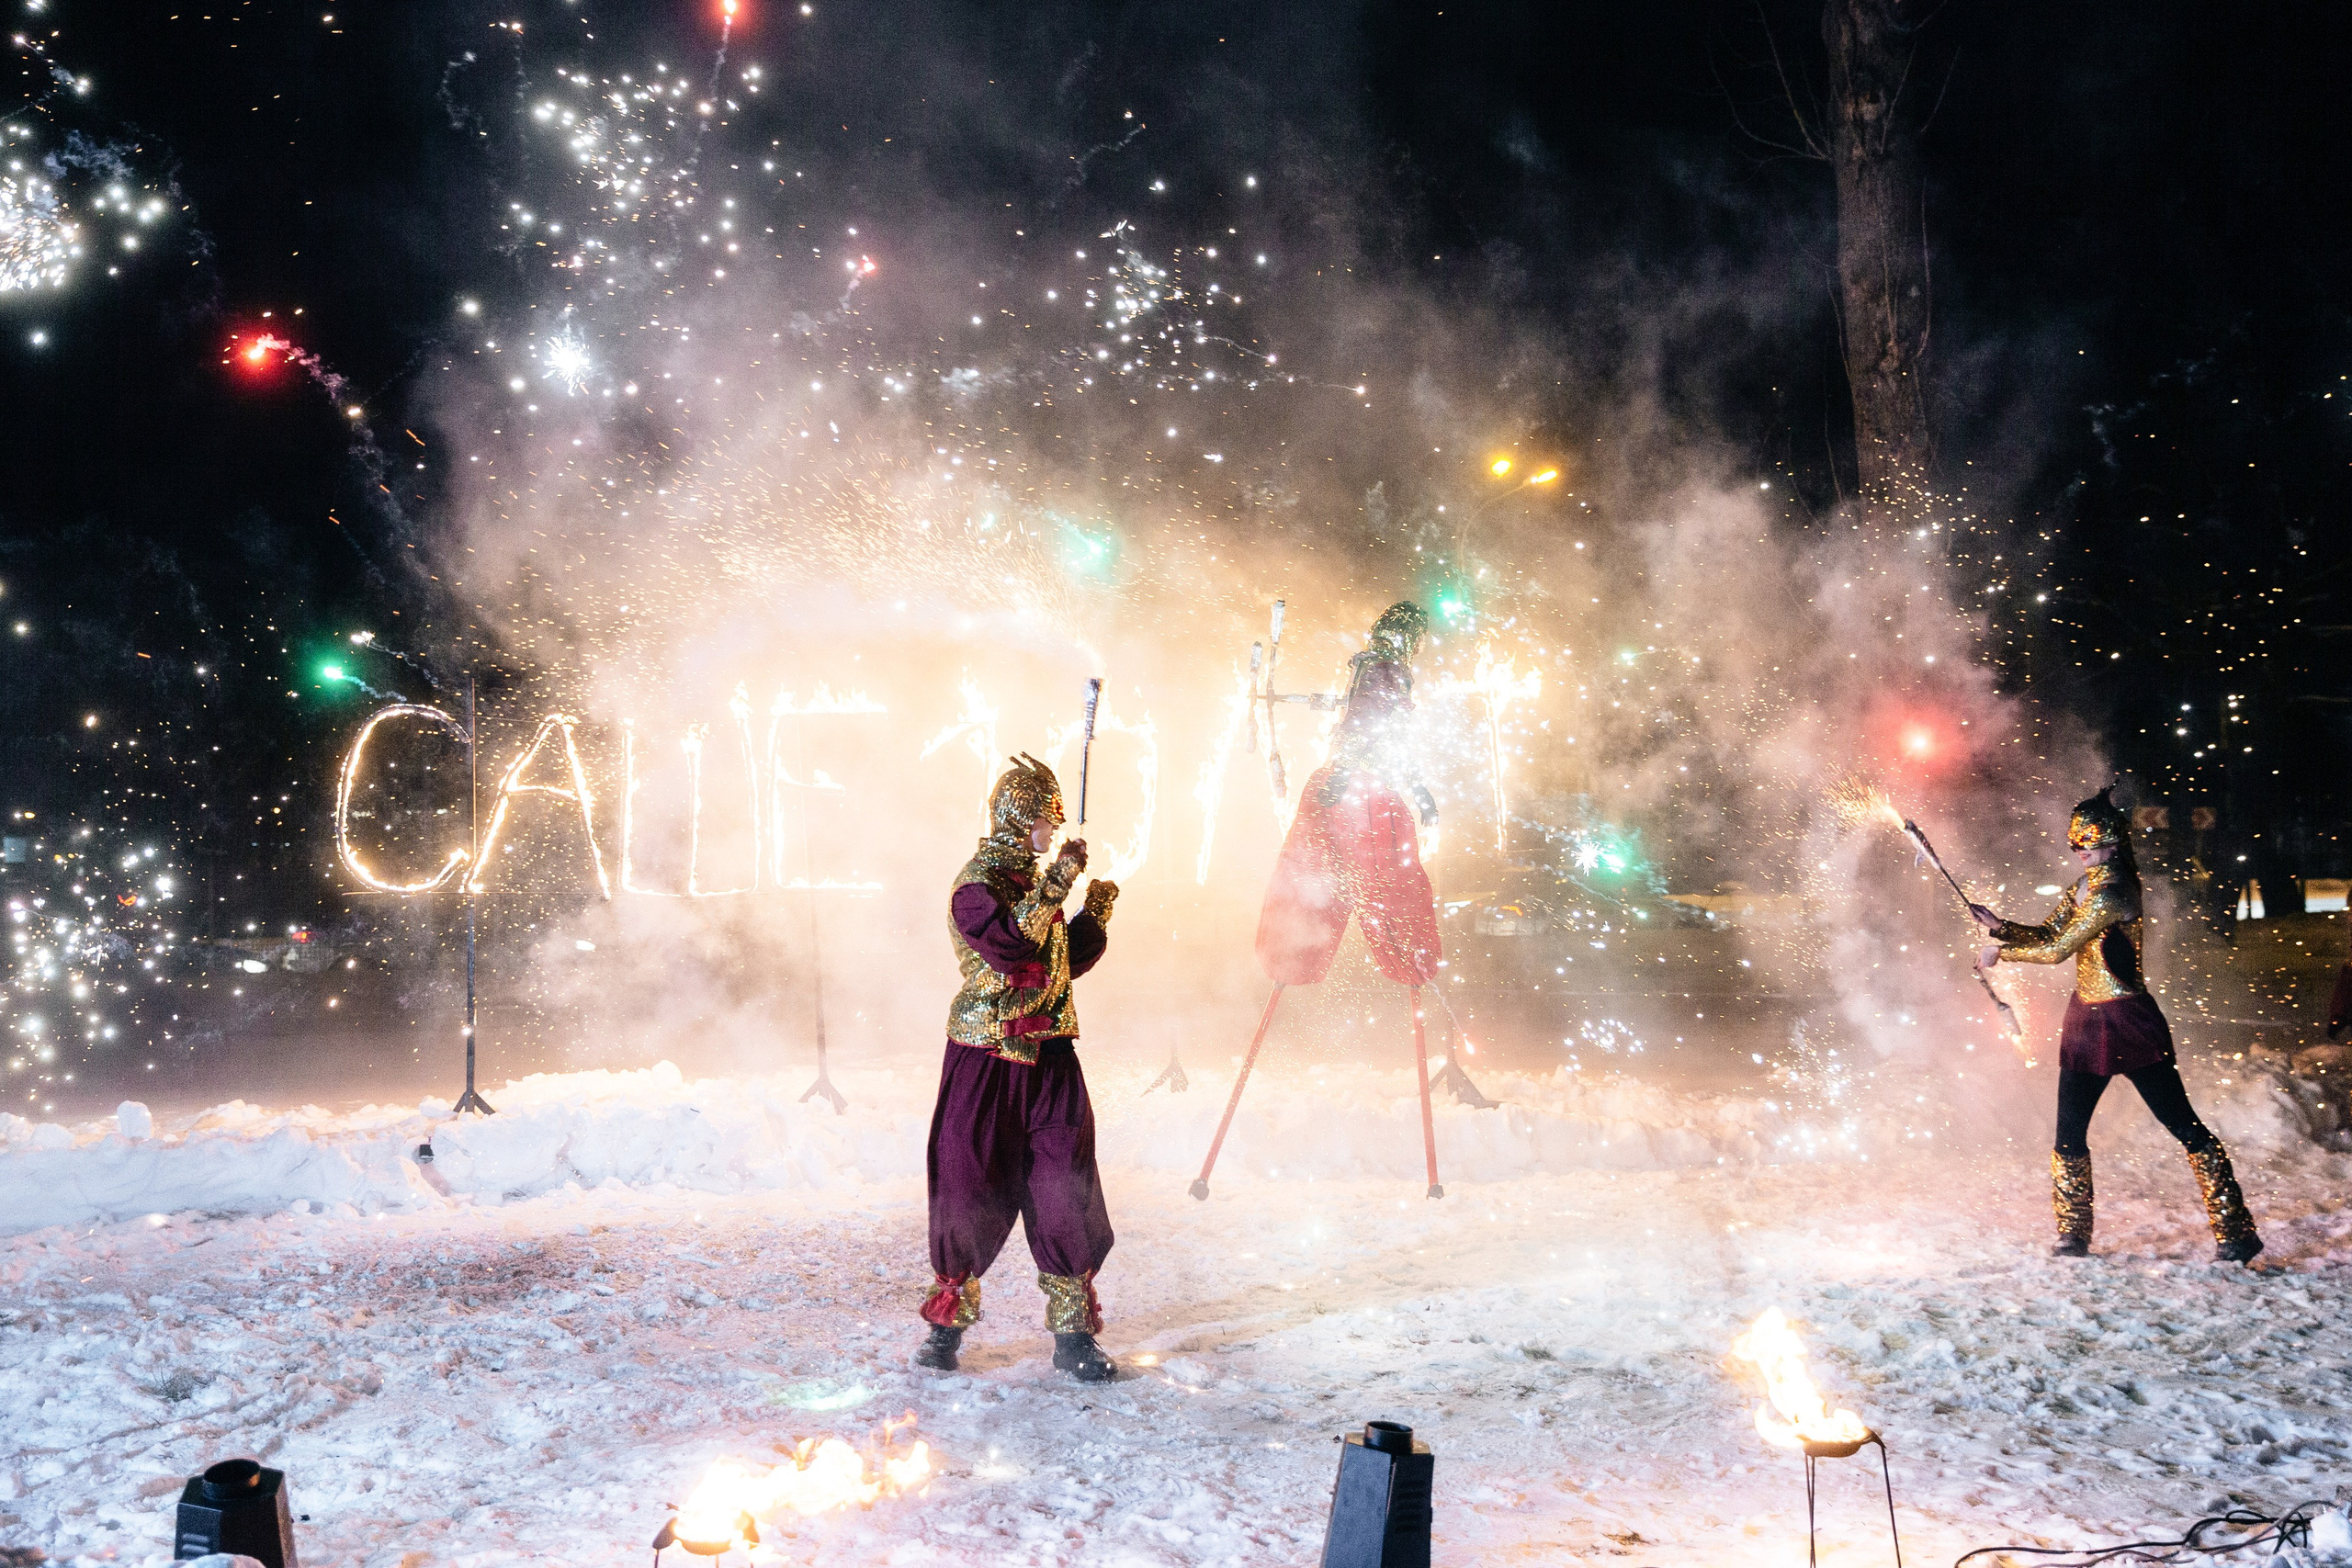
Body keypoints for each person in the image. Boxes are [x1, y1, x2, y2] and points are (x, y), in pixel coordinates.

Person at [1972, 787, 2262, 1263]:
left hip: (2128, 1022)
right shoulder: (2083, 889)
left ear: (2111, 842)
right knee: (2069, 1132)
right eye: (2077, 844)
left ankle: (2235, 1229)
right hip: (2085, 1021)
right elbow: (2049, 932)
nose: (2082, 851)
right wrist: (2001, 926)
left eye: (2090, 842)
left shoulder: (2114, 892)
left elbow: (2056, 950)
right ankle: (2073, 1235)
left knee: (2183, 1126)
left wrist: (2002, 953)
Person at [915, 753, 1122, 1381]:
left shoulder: (1037, 879)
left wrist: (1095, 913)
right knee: (968, 1182)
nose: (1050, 834)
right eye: (1042, 822)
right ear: (1016, 819)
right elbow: (1012, 949)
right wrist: (1057, 885)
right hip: (988, 1058)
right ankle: (945, 1327)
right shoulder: (976, 886)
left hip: (1051, 1055)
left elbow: (1057, 963)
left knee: (1065, 1183)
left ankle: (1074, 1334)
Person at [1254, 601, 1442, 988]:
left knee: (1323, 878)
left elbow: (1386, 733)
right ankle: (1410, 961)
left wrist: (1417, 786)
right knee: (1387, 882)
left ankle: (1292, 956)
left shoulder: (1372, 667)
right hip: (1363, 793)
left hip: (1351, 784)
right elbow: (1366, 722)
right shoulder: (1385, 669)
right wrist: (1347, 771)